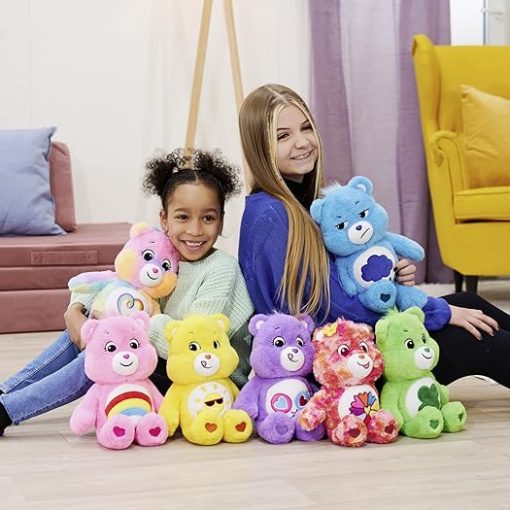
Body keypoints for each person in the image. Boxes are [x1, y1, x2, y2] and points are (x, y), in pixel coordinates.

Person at [237, 83, 510, 389]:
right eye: (283, 136)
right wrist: (435, 311)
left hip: (349, 339)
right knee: (469, 337)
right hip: (339, 361)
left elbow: (342, 281)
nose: (302, 142)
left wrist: (390, 281)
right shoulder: (271, 215)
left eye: (306, 128)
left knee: (468, 302)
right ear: (260, 148)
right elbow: (332, 308)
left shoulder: (303, 203)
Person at [0, 148, 254, 436]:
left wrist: (128, 324)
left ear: (221, 220)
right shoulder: (163, 251)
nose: (195, 230)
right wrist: (78, 309)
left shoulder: (221, 268)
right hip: (162, 360)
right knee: (100, 331)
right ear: (164, 219)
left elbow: (193, 344)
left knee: (108, 347)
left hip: (202, 379)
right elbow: (119, 283)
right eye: (183, 217)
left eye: (208, 218)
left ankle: (7, 411)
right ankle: (6, 391)